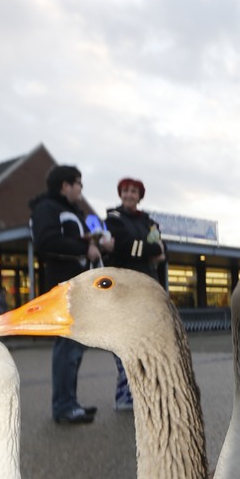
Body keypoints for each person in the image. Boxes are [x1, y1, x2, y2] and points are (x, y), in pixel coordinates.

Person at [29, 164, 112, 424]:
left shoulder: (72, 211)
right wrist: (83, 247)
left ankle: (69, 403)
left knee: (73, 348)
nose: (81, 188)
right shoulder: (46, 209)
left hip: (77, 287)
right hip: (64, 288)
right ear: (65, 185)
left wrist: (97, 246)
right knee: (68, 347)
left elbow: (74, 245)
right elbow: (45, 242)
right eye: (78, 183)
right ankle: (64, 407)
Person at [104, 177, 166, 411]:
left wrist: (152, 250)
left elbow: (163, 250)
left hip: (148, 289)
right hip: (124, 290)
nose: (129, 195)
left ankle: (141, 392)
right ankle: (124, 395)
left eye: (134, 191)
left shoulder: (149, 222)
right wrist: (151, 249)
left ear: (140, 196)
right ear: (120, 194)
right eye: (126, 191)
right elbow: (125, 246)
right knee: (125, 343)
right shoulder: (113, 219)